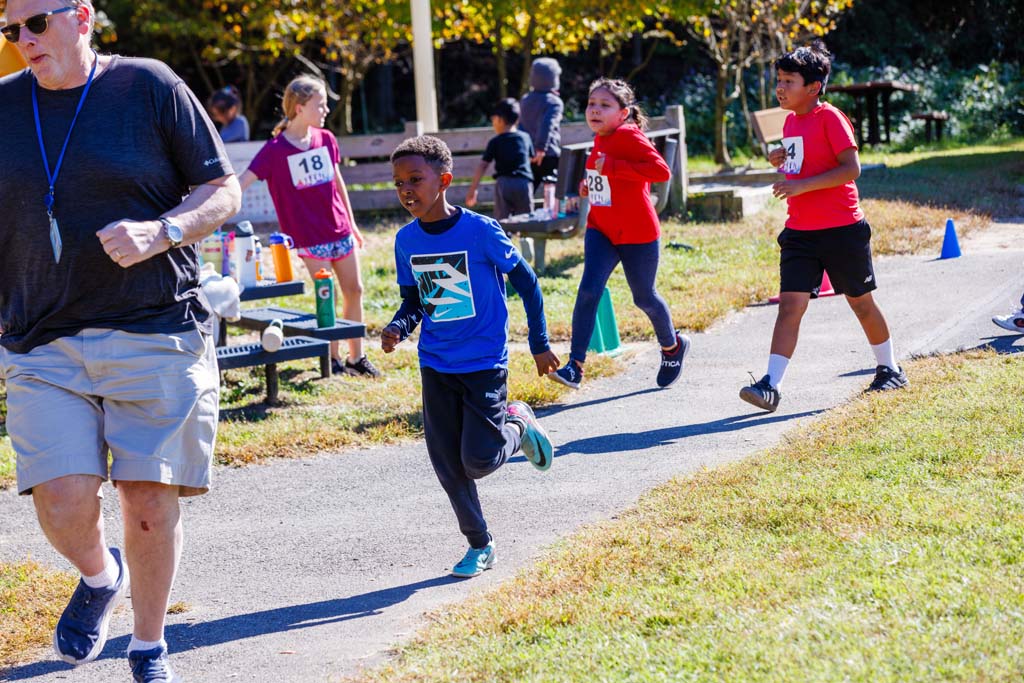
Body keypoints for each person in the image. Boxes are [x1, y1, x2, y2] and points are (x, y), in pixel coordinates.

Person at [0, 1, 241, 681]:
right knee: (61, 497)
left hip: (155, 326)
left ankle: (148, 643)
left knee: (147, 503)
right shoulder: (2, 107)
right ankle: (99, 575)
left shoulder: (149, 85)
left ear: (80, 16)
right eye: (9, 31)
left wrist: (160, 231)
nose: (22, 41)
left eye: (35, 25)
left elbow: (221, 191)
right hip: (41, 338)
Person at [384, 135, 560, 577]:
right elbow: (416, 302)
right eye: (399, 182)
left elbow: (528, 283)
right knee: (447, 463)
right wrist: (398, 328)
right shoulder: (406, 241)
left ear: (443, 181)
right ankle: (480, 544)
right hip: (436, 363)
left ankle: (518, 422)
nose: (407, 190)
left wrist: (538, 344)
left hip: (483, 363)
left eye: (415, 180)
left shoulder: (480, 231)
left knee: (478, 461)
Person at [739, 41, 908, 413]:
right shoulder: (790, 121)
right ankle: (771, 385)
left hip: (842, 229)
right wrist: (781, 160)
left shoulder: (831, 118)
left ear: (813, 87)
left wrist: (799, 184)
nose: (780, 88)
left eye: (788, 81)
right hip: (800, 231)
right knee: (789, 306)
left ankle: (890, 367)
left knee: (861, 303)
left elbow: (851, 169)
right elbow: (800, 169)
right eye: (778, 80)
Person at [547, 78, 690, 391]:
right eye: (591, 104)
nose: (595, 110)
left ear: (624, 113)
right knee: (588, 292)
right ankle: (575, 367)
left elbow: (660, 171)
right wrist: (589, 185)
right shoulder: (601, 136)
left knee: (644, 297)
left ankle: (672, 347)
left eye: (604, 105)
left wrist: (611, 165)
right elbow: (605, 176)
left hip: (637, 233)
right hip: (602, 228)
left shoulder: (628, 135)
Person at [238, 75, 380, 377]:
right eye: (321, 105)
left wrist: (353, 225)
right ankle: (333, 359)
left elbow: (337, 183)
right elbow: (242, 182)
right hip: (308, 236)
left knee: (355, 289)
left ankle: (357, 357)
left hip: (338, 228)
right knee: (327, 293)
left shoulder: (326, 139)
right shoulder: (275, 150)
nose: (326, 110)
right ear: (300, 107)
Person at [465, 98, 535, 219]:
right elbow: (530, 159)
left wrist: (473, 190)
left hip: (504, 183)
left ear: (499, 119)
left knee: (502, 221)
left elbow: (483, 165)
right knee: (527, 218)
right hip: (523, 182)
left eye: (493, 120)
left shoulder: (496, 141)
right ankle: (526, 237)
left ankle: (505, 235)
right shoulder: (525, 137)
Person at [519, 57, 564, 216]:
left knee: (529, 185)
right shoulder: (554, 102)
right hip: (548, 151)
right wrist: (541, 148)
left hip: (528, 152)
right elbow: (548, 125)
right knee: (550, 183)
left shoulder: (525, 100)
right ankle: (549, 215)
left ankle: (525, 217)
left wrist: (528, 148)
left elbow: (521, 126)